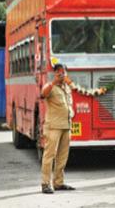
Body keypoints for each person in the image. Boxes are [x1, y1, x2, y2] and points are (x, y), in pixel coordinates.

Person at [40, 63, 106, 194]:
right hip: (53, 126)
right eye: (58, 72)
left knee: (63, 156)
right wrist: (54, 82)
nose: (61, 74)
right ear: (55, 73)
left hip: (66, 125)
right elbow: (43, 94)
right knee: (49, 155)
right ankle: (45, 183)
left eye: (63, 72)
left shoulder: (67, 88)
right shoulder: (50, 86)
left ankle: (58, 182)